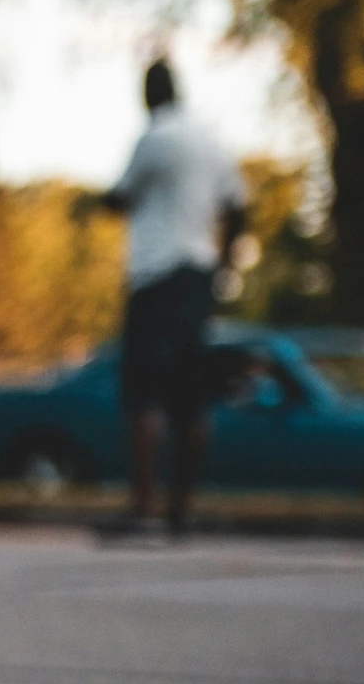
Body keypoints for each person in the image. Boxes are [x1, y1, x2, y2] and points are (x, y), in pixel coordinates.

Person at [80, 59, 247, 538]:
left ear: (149, 94)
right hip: (197, 276)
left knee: (145, 392)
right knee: (191, 397)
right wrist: (225, 267)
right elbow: (238, 207)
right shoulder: (211, 141)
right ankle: (182, 507)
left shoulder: (155, 138)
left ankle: (143, 508)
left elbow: (121, 197)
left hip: (156, 274)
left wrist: (94, 202)